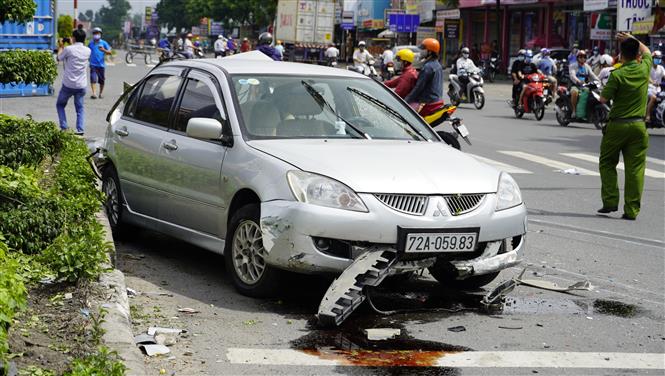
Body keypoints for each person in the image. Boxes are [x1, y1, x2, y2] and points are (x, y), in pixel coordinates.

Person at [598, 32, 651, 220]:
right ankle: (631, 210)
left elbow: (604, 98)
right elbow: (647, 52)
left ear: (621, 55)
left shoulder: (617, 74)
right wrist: (632, 38)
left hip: (617, 126)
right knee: (635, 169)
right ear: (637, 55)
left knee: (607, 162)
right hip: (639, 126)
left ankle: (611, 201)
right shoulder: (644, 68)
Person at [56, 29, 91, 135]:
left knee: (60, 105)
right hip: (81, 85)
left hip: (68, 84)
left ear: (73, 38)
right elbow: (77, 51)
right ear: (84, 39)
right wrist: (72, 43)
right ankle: (80, 129)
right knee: (80, 108)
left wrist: (61, 46)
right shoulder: (88, 50)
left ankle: (64, 127)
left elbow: (59, 58)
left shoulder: (68, 49)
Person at [404, 38, 443, 113]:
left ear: (430, 52)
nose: (420, 51)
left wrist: (406, 100)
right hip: (436, 100)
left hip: (427, 102)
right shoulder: (437, 65)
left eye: (423, 49)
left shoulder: (428, 67)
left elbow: (418, 87)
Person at [569, 50, 599, 116]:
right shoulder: (573, 66)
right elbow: (572, 75)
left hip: (585, 86)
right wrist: (578, 81)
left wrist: (598, 80)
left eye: (584, 57)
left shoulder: (587, 66)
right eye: (581, 57)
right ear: (577, 58)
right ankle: (574, 111)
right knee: (575, 93)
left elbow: (592, 75)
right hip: (575, 85)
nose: (582, 58)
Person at [88, 27, 111, 99]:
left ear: (100, 34)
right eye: (95, 33)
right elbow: (87, 51)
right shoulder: (91, 43)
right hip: (93, 64)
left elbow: (109, 52)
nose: (96, 35)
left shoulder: (104, 43)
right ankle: (94, 93)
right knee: (93, 79)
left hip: (101, 65)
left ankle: (100, 93)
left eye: (98, 33)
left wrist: (103, 50)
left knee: (102, 80)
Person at [646, 50, 665, 122]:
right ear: (652, 58)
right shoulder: (648, 67)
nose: (658, 59)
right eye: (657, 58)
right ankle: (648, 115)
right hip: (649, 89)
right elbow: (646, 77)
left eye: (659, 58)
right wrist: (652, 82)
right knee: (653, 98)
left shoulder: (661, 68)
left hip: (658, 90)